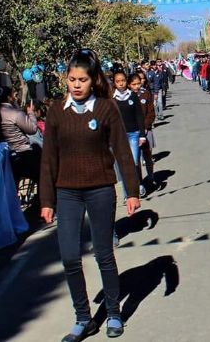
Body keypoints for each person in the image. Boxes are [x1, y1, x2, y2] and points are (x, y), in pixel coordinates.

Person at [39, 48, 140, 340]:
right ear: (66, 80)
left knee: (104, 254)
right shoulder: (57, 111)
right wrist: (47, 200)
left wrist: (131, 191)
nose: (77, 85)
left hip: (100, 190)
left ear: (92, 79)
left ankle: (112, 313)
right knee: (70, 257)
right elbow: (49, 159)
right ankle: (83, 318)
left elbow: (122, 151)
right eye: (72, 79)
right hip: (67, 193)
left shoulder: (106, 108)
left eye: (82, 79)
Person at [112, 71, 146, 199]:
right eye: (118, 81)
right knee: (123, 164)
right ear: (115, 83)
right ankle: (127, 194)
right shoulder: (112, 98)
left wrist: (142, 135)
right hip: (119, 136)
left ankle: (138, 185)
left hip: (133, 134)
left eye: (123, 80)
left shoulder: (132, 96)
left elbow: (139, 116)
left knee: (134, 162)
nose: (121, 83)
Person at [0, 86, 41, 187]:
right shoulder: (15, 113)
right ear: (9, 97)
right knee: (43, 175)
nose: (15, 97)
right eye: (14, 95)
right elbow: (32, 129)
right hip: (22, 154)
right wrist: (30, 112)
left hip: (3, 156)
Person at [130, 73, 156, 189]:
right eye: (134, 84)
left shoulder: (145, 94)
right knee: (135, 159)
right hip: (132, 132)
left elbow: (151, 112)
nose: (136, 86)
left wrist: (145, 127)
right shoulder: (127, 96)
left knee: (147, 155)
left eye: (138, 83)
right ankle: (139, 183)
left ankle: (151, 177)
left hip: (146, 130)